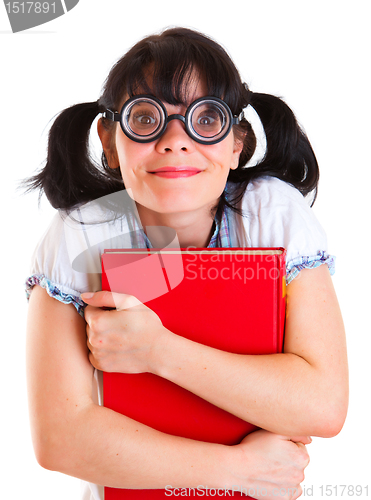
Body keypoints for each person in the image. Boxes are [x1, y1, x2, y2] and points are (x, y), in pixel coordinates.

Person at [24, 27, 348, 500]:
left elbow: (322, 406)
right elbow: (60, 438)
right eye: (146, 118)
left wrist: (158, 351)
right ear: (110, 143)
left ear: (237, 143)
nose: (175, 142)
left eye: (207, 120)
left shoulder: (272, 213)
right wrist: (237, 470)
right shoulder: (80, 235)